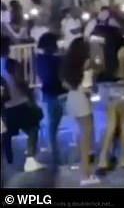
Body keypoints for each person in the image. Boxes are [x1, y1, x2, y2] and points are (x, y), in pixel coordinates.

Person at [61, 37, 99, 185]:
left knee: (81, 134)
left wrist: (76, 88)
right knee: (87, 136)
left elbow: (65, 83)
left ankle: (83, 169)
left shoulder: (68, 64)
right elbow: (96, 71)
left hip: (72, 97)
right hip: (82, 98)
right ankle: (86, 174)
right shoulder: (87, 62)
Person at [1, 52, 44, 172]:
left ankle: (8, 163)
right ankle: (30, 159)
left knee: (6, 136)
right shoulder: (11, 63)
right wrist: (31, 98)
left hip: (5, 108)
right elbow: (20, 82)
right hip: (20, 103)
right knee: (32, 128)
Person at [96, 42, 124, 172]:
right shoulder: (123, 50)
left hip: (110, 89)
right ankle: (123, 158)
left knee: (111, 125)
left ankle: (103, 158)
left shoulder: (105, 50)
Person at [35, 32, 66, 170]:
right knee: (54, 126)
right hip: (60, 93)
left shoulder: (40, 59)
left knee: (52, 127)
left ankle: (55, 155)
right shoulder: (56, 60)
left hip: (49, 93)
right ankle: (56, 156)